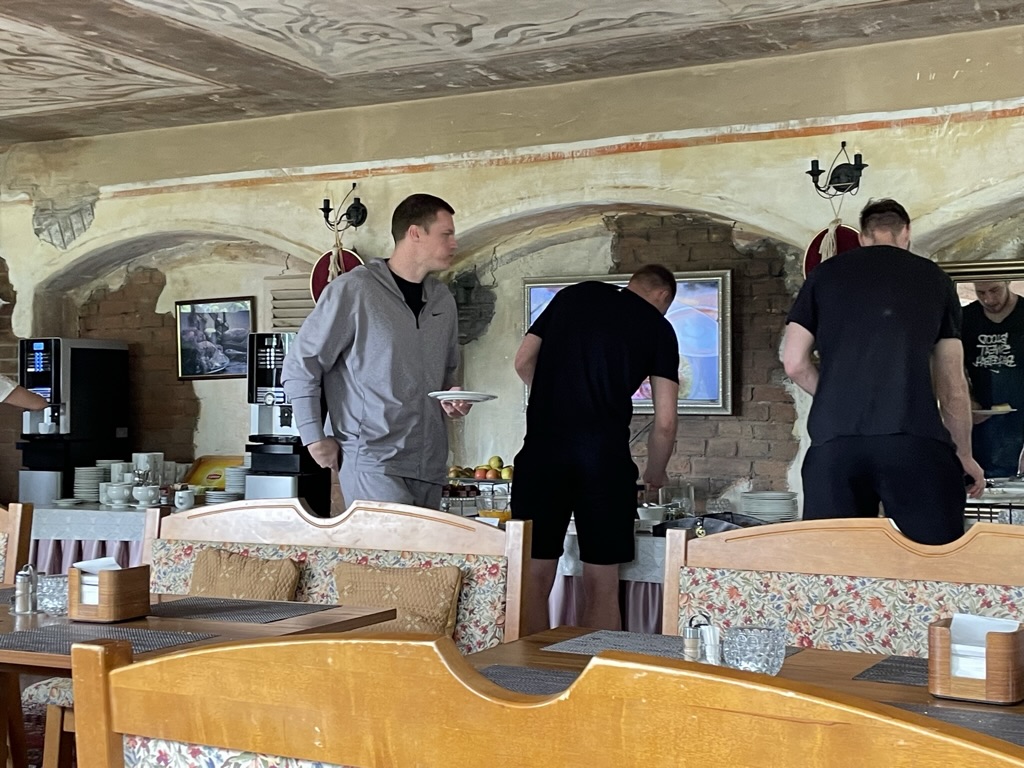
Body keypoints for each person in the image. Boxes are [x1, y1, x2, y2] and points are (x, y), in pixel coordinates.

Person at [782, 198, 985, 546]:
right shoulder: (934, 279)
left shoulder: (823, 276)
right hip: (913, 439)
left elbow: (794, 362)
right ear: (906, 233)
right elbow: (952, 383)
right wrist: (964, 454)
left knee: (833, 563)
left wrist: (836, 396)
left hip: (836, 444)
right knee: (932, 560)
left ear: (864, 237)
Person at [510, 265, 680, 633]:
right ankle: (593, 668)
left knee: (534, 575)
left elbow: (522, 361)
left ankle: (525, 665)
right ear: (662, 296)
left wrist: (558, 396)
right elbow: (665, 422)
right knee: (602, 582)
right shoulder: (659, 328)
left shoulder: (575, 295)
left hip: (542, 454)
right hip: (605, 462)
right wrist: (655, 471)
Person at [282, 193, 470, 509]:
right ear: (415, 233)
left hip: (430, 465)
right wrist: (313, 437)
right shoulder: (354, 290)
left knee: (422, 546)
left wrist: (453, 397)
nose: (454, 243)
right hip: (373, 462)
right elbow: (301, 365)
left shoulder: (443, 300)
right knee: (387, 544)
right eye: (446, 234)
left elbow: (448, 373)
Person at [961, 280, 1024, 478]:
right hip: (980, 422)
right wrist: (967, 401)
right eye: (981, 292)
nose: (989, 299)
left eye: (995, 290)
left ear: (1007, 281)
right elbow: (954, 366)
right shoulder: (965, 318)